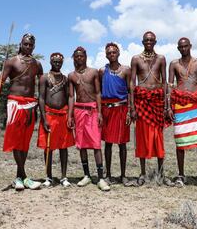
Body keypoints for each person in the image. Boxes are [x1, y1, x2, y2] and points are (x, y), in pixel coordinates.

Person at [0, 33, 43, 191]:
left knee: (25, 141)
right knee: (16, 140)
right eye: (25, 44)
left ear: (34, 47)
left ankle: (20, 177)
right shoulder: (11, 61)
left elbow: (42, 85)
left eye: (31, 45)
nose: (28, 47)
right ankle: (23, 176)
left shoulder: (37, 64)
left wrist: (42, 103)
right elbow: (0, 81)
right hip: (15, 103)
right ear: (21, 44)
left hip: (30, 104)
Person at [167, 37, 197, 188]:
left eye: (186, 46)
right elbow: (170, 86)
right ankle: (181, 175)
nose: (183, 48)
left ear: (190, 46)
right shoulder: (174, 64)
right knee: (180, 142)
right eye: (181, 47)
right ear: (178, 48)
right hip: (179, 106)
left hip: (195, 104)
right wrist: (168, 107)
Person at [130, 31, 171, 186]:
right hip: (141, 103)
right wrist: (132, 106)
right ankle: (142, 173)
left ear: (155, 42)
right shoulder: (136, 59)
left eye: (151, 40)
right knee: (142, 137)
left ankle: (160, 172)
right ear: (142, 42)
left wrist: (166, 106)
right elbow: (132, 83)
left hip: (157, 102)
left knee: (158, 137)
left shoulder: (161, 59)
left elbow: (164, 82)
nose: (149, 42)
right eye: (146, 40)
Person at [67, 47, 110, 191]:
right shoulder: (71, 75)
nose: (79, 58)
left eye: (82, 56)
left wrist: (99, 112)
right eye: (77, 56)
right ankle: (86, 175)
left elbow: (98, 92)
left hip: (92, 111)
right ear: (74, 58)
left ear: (86, 57)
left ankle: (100, 178)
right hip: (79, 111)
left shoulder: (93, 72)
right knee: (81, 144)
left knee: (96, 144)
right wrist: (70, 115)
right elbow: (71, 96)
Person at [38, 52, 74, 188]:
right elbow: (41, 98)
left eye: (60, 62)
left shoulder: (65, 79)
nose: (57, 64)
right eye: (55, 62)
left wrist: (70, 115)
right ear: (50, 62)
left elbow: (69, 97)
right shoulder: (44, 78)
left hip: (63, 116)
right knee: (48, 147)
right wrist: (44, 117)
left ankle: (64, 177)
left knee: (63, 147)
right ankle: (48, 176)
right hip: (49, 115)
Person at [99, 43, 131, 186]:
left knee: (122, 143)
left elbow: (131, 91)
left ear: (118, 53)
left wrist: (131, 110)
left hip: (122, 108)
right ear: (106, 55)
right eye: (109, 53)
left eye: (114, 52)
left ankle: (123, 175)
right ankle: (108, 175)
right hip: (107, 109)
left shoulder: (126, 70)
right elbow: (98, 92)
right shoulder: (102, 71)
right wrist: (99, 112)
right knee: (108, 143)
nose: (112, 54)